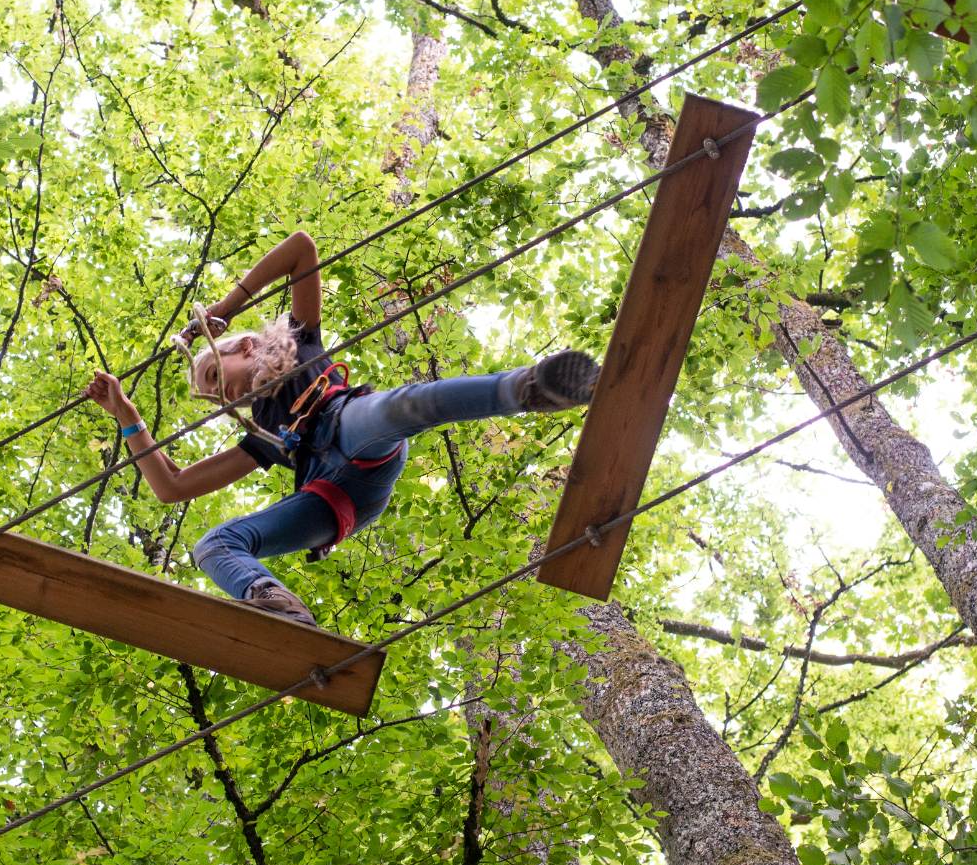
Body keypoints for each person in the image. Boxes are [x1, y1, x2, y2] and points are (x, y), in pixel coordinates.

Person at [84, 231, 599, 627]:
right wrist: (128, 416)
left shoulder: (301, 342)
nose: (222, 395)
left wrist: (223, 309)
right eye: (213, 394)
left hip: (353, 428)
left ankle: (529, 389)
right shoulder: (260, 435)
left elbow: (301, 249)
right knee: (212, 546)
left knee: (400, 408)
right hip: (333, 496)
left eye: (216, 376)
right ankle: (273, 601)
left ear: (243, 348)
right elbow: (172, 487)